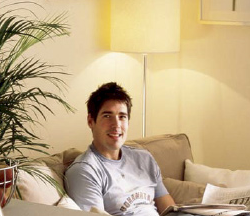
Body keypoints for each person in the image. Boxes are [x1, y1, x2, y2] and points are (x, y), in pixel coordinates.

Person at [64, 82, 175, 216]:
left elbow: (169, 209)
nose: (116, 125)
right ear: (90, 121)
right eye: (107, 116)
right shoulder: (85, 170)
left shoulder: (144, 158)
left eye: (122, 116)